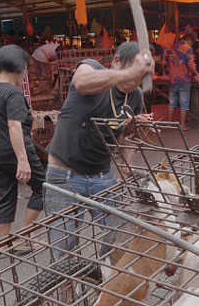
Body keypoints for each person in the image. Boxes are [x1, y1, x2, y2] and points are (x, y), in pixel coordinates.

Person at [44, 42, 153, 260]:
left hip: (102, 175)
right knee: (64, 249)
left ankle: (107, 285)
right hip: (64, 174)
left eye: (140, 76)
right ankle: (67, 292)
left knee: (118, 237)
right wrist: (129, 74)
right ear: (116, 62)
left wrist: (125, 168)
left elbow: (126, 138)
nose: (134, 81)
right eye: (132, 72)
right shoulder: (91, 68)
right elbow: (82, 82)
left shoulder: (136, 96)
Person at [0, 45, 45, 242]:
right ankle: (26, 237)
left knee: (6, 195)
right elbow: (14, 126)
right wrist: (23, 160)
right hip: (15, 152)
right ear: (20, 68)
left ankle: (4, 243)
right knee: (43, 188)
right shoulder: (13, 94)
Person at [162, 33, 199, 131]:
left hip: (173, 79)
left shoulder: (170, 48)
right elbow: (191, 65)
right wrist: (196, 73)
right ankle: (182, 125)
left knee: (172, 101)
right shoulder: (188, 49)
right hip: (184, 79)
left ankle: (170, 123)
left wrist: (169, 73)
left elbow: (164, 64)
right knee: (184, 102)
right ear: (189, 40)